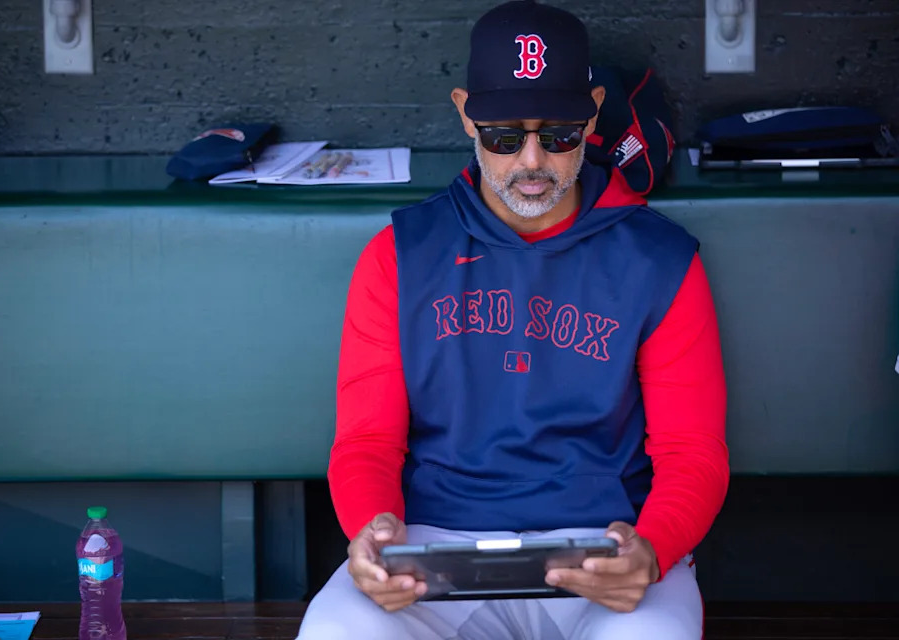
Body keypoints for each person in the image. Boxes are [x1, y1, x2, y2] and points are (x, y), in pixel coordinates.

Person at [297, 1, 729, 638]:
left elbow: (692, 452)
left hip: (605, 546)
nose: (532, 160)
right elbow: (366, 442)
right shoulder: (401, 254)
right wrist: (373, 528)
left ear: (592, 111)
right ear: (465, 113)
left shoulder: (659, 260)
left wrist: (653, 547)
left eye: (559, 135)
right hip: (436, 546)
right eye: (505, 136)